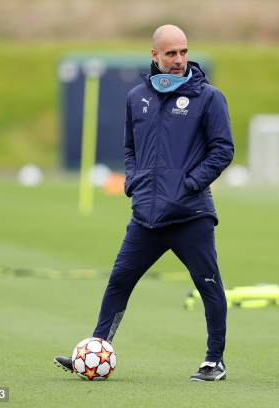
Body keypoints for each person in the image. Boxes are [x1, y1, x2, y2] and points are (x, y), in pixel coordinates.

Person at [54, 24, 234, 382]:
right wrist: (134, 181)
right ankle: (95, 352)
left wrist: (190, 184)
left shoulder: (209, 97)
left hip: (190, 214)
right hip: (146, 216)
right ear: (155, 55)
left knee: (208, 284)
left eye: (183, 52)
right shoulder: (137, 96)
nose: (179, 60)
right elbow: (130, 148)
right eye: (171, 53)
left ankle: (215, 361)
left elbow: (223, 150)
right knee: (119, 280)